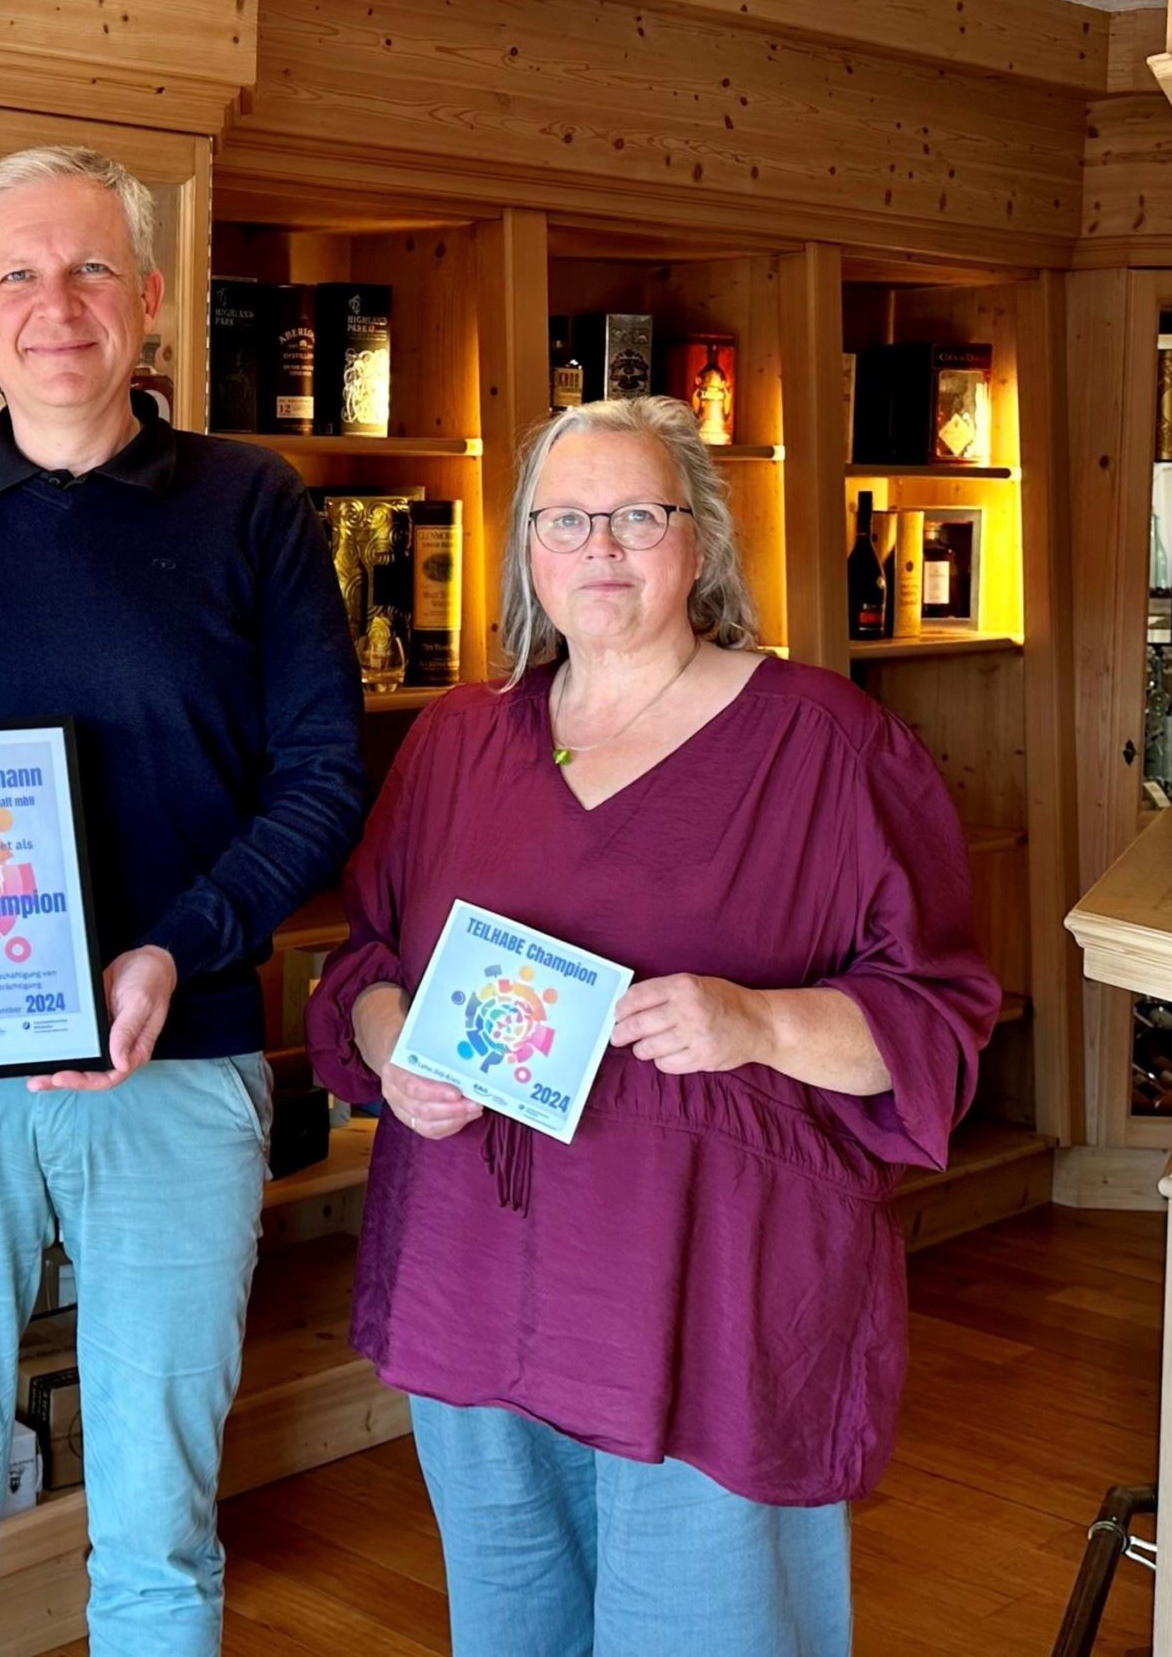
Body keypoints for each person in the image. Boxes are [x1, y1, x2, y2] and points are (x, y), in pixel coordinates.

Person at [0, 144, 366, 1655]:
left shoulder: (256, 506)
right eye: (22, 275)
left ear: (151, 301)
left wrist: (172, 946)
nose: (60, 303)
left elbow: (320, 781)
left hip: (177, 1061)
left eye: (94, 267)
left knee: (160, 1533)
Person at [307, 395, 1000, 1657]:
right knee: (511, 1622)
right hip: (476, 1277)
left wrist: (761, 1022)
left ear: (700, 542)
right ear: (526, 550)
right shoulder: (457, 741)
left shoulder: (826, 745)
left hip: (707, 1292)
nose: (600, 548)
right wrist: (389, 1034)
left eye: (637, 515)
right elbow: (363, 960)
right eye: (565, 521)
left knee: (710, 1627)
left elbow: (941, 1015)